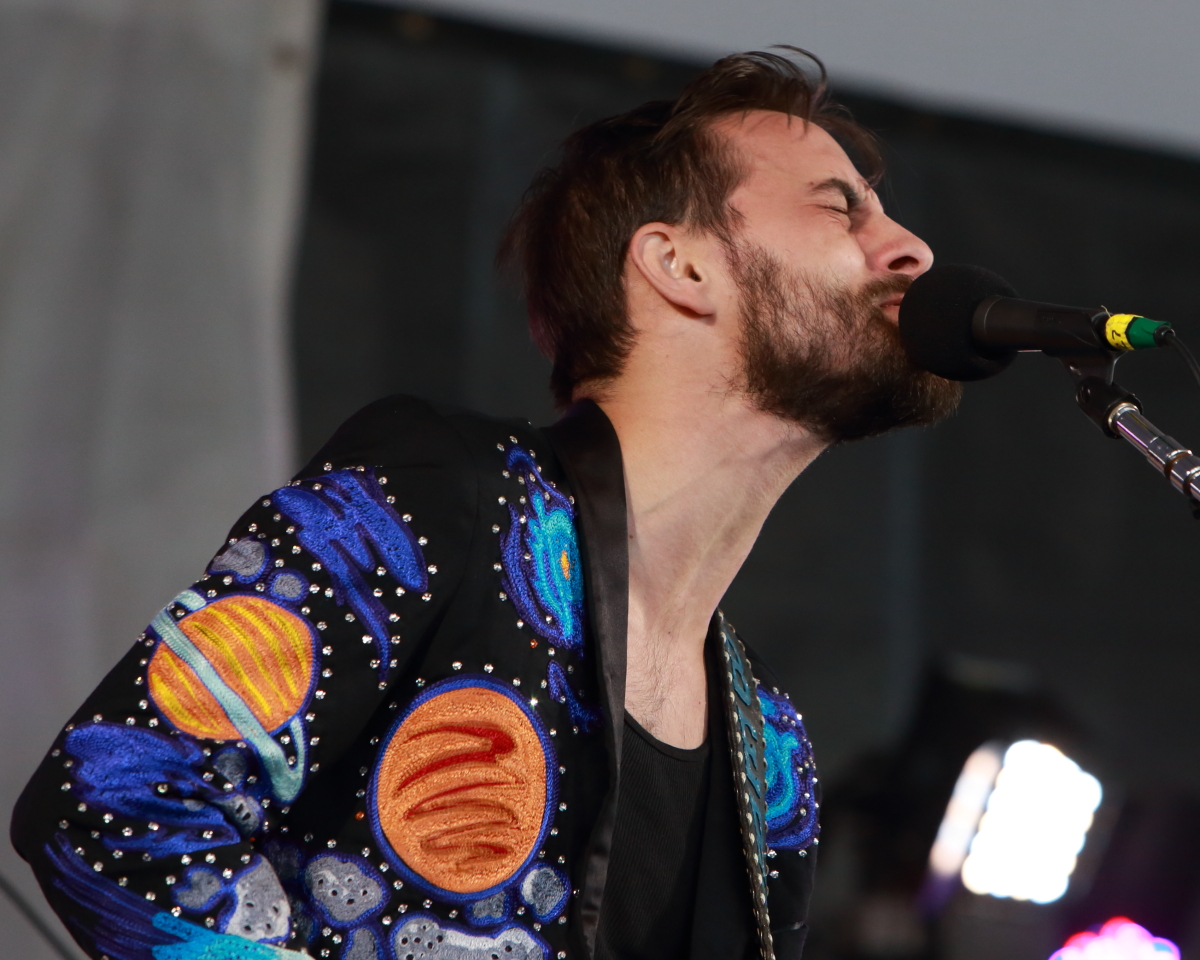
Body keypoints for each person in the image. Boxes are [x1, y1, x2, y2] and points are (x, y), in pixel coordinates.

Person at [10, 49, 958, 960]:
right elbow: (110, 800)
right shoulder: (449, 497)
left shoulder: (773, 751)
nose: (911, 248)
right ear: (681, 265)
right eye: (840, 208)